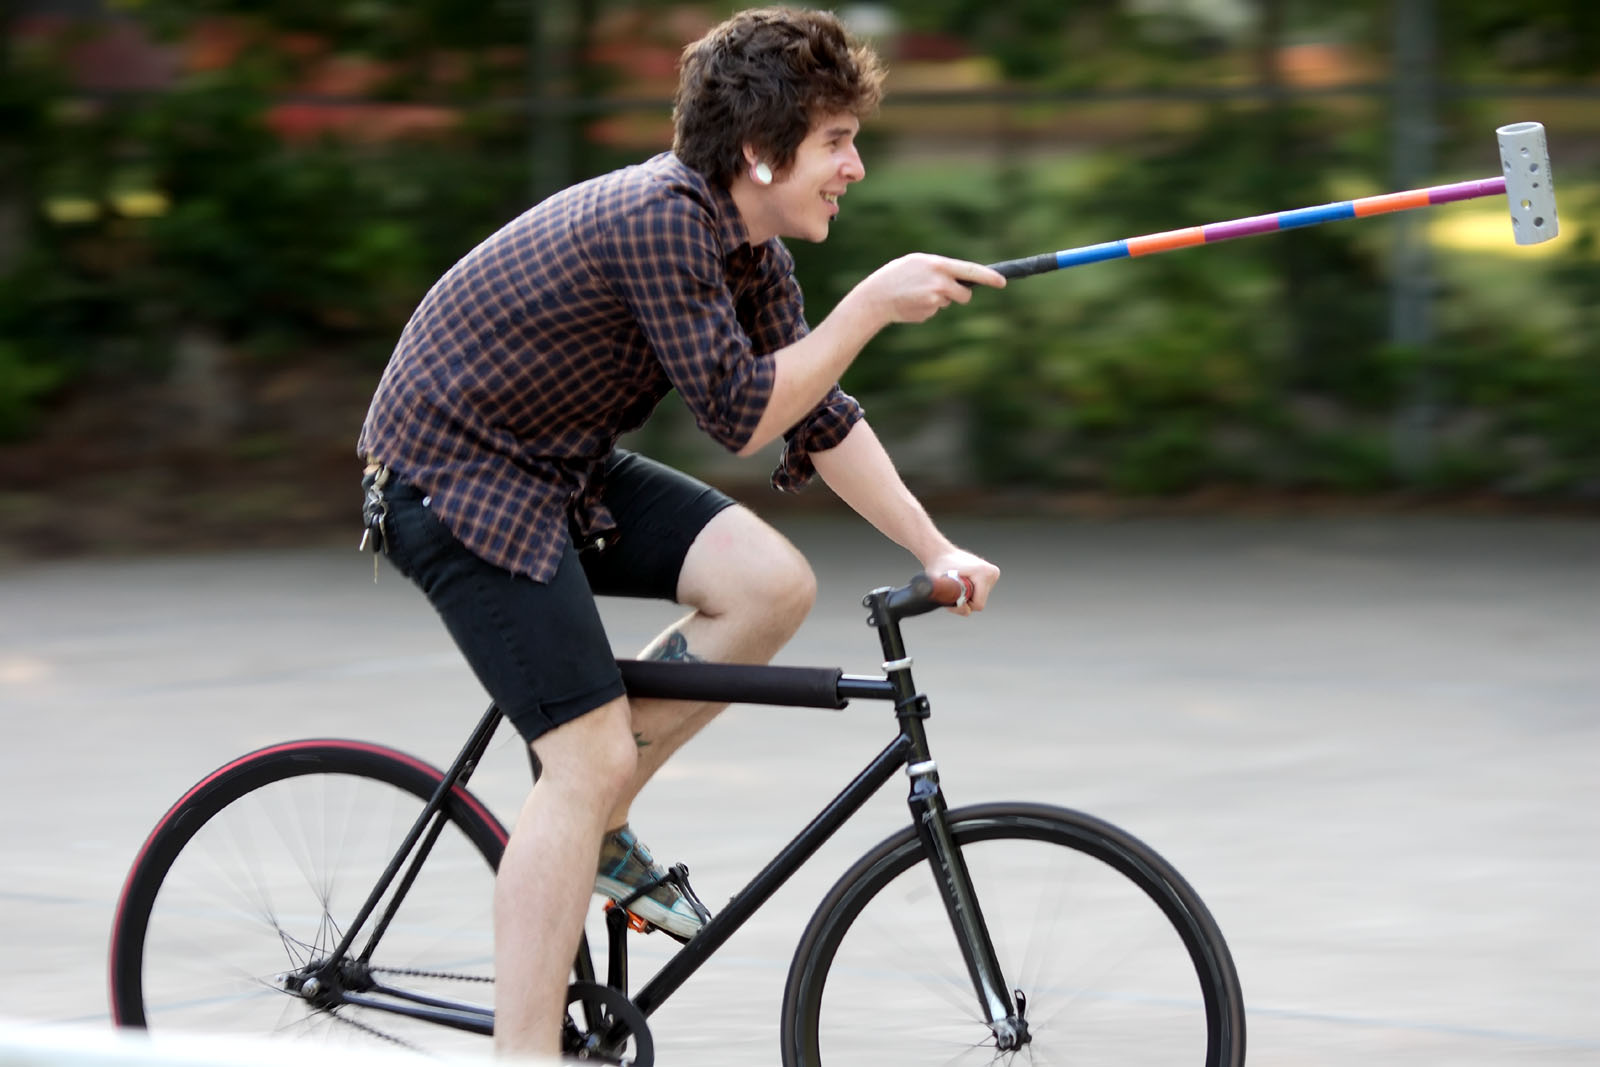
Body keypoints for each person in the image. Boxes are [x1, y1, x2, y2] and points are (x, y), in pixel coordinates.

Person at [356, 6, 1003, 1058]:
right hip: (453, 476)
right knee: (582, 760)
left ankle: (597, 820)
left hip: (554, 464)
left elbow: (816, 413)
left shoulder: (750, 250)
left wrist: (932, 548)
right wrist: (868, 308)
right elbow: (742, 414)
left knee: (768, 583)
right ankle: (528, 1037)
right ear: (759, 153)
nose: (856, 167)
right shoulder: (661, 216)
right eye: (837, 142)